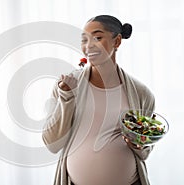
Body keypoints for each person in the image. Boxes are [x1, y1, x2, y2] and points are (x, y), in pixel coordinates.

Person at [42, 15, 155, 185]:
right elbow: (52, 144)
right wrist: (66, 98)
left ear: (117, 41)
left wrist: (139, 144)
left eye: (97, 37)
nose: (88, 46)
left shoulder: (142, 93)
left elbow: (145, 151)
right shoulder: (66, 87)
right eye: (84, 40)